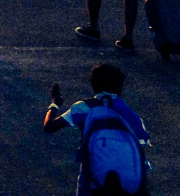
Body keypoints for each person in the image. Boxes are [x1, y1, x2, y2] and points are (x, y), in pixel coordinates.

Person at [43, 63, 151, 196]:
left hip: (93, 175)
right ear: (119, 87)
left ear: (93, 85)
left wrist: (54, 103)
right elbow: (142, 143)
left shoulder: (83, 107)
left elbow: (49, 127)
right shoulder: (129, 113)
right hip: (129, 177)